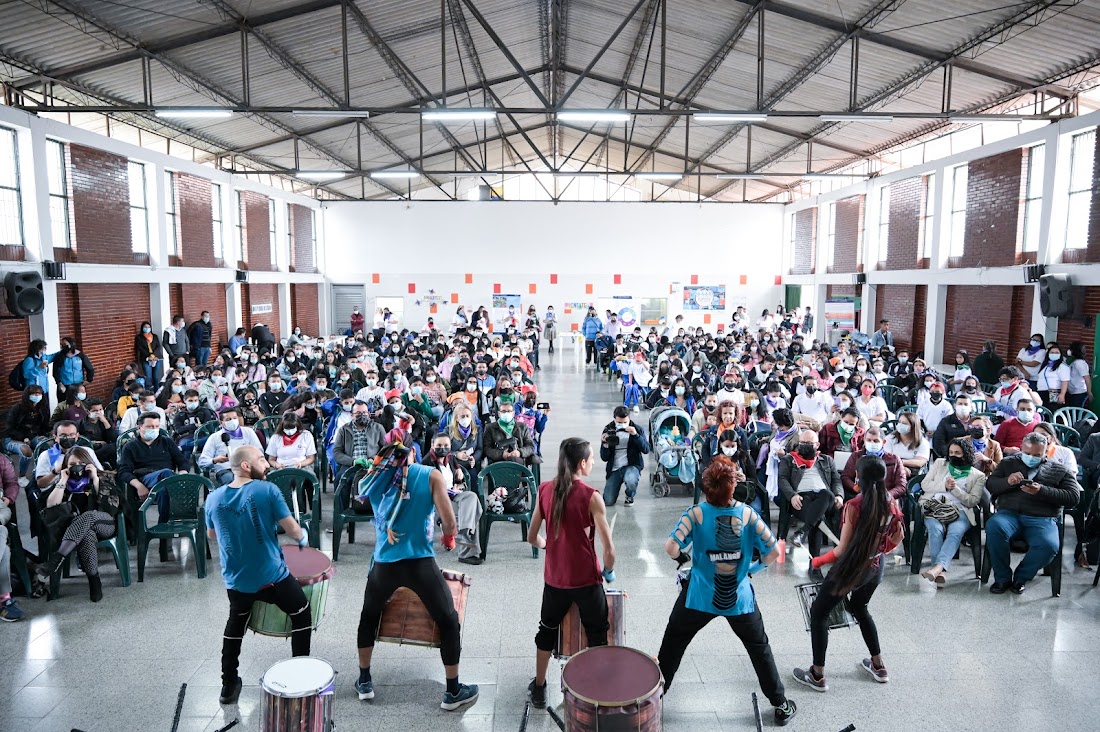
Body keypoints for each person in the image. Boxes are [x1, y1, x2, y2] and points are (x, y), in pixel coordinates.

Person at [657, 457, 797, 727]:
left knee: (673, 644)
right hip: (739, 599)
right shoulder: (747, 514)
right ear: (733, 488)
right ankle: (781, 704)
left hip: (697, 596)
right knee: (759, 649)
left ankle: (653, 699)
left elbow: (671, 548)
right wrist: (751, 571)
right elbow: (774, 552)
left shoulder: (696, 513)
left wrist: (685, 560)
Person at [354, 444, 479, 711]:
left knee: (369, 615)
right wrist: (448, 537)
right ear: (412, 453)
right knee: (448, 619)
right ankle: (453, 691)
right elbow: (450, 523)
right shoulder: (430, 475)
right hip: (420, 563)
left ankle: (364, 681)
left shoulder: (374, 478)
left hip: (384, 563)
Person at [206, 446, 311, 704]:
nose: (266, 464)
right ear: (245, 465)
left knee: (235, 625)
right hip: (272, 576)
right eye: (261, 459)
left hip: (236, 580)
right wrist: (302, 535)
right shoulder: (268, 490)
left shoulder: (213, 498)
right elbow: (294, 532)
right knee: (302, 613)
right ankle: (300, 675)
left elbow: (212, 535)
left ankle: (228, 685)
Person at [794, 456, 903, 692]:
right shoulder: (890, 501)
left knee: (819, 613)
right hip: (875, 568)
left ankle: (817, 674)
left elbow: (841, 550)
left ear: (858, 479)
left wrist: (818, 561)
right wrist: (877, 551)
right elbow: (898, 537)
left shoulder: (854, 506)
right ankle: (878, 665)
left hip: (851, 569)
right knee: (860, 608)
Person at [526, 437, 616, 710]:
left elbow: (532, 537)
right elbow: (609, 549)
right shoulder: (592, 496)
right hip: (587, 579)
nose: (592, 463)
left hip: (555, 579)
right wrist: (608, 571)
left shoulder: (544, 490)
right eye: (590, 460)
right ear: (582, 463)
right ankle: (595, 691)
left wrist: (549, 546)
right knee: (598, 633)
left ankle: (540, 688)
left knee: (546, 631)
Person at [985, 432, 1081, 594]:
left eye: (1037, 455)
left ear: (1046, 452)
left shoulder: (1059, 470)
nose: (1031, 457)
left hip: (1041, 518)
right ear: (1021, 447)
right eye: (1027, 453)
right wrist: (1007, 481)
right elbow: (991, 485)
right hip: (1010, 514)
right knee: (994, 526)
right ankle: (1002, 578)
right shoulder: (1008, 463)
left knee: (1049, 545)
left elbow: (1073, 497)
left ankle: (1021, 578)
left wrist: (1042, 491)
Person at [36, 447, 120, 602]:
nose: (78, 466)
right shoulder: (63, 482)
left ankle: (57, 558)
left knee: (87, 516)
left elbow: (111, 508)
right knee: (86, 534)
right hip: (75, 531)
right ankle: (94, 580)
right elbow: (51, 507)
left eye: (82, 462)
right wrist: (62, 480)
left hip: (105, 524)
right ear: (66, 465)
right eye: (73, 463)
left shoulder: (104, 477)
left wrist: (95, 479)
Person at [917, 438, 986, 587]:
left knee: (955, 531)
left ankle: (937, 568)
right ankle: (940, 570)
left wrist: (955, 489)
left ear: (967, 454)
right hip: (935, 505)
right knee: (935, 529)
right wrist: (944, 486)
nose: (953, 455)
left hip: (961, 509)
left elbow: (972, 501)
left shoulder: (978, 475)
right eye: (951, 452)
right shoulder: (940, 463)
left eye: (958, 453)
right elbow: (925, 485)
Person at [777, 430, 843, 569]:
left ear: (817, 445)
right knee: (817, 519)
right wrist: (792, 495)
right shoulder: (789, 460)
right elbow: (782, 480)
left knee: (828, 494)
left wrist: (839, 495)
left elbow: (836, 480)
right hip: (801, 498)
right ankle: (814, 566)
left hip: (825, 498)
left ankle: (802, 531)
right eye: (802, 443)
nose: (805, 446)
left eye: (809, 443)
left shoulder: (826, 460)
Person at [421, 432, 483, 565]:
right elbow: (428, 488)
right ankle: (467, 553)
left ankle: (463, 532)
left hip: (453, 494)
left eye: (446, 445)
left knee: (472, 498)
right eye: (439, 445)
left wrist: (458, 480)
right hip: (437, 499)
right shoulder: (427, 463)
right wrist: (449, 490)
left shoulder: (451, 459)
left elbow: (457, 480)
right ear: (432, 446)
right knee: (472, 511)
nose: (442, 448)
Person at [117, 412, 188, 503]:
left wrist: (182, 473)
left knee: (163, 492)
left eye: (156, 426)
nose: (154, 429)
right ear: (139, 428)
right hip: (144, 479)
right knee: (165, 473)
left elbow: (182, 461)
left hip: (166, 480)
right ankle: (180, 490)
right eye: (150, 427)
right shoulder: (130, 446)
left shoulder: (167, 442)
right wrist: (139, 486)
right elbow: (124, 471)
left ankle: (164, 517)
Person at [840, 426, 907, 501]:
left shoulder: (894, 459)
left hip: (886, 499)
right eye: (869, 440)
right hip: (860, 497)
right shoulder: (856, 456)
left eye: (876, 441)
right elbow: (845, 477)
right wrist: (855, 487)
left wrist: (887, 495)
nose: (872, 443)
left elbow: (901, 485)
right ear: (864, 440)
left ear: (883, 442)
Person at [599, 406, 649, 507]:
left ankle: (629, 495)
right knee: (608, 501)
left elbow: (646, 449)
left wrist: (636, 435)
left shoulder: (637, 429)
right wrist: (605, 445)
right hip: (614, 468)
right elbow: (604, 458)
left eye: (625, 422)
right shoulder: (608, 430)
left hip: (631, 465)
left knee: (631, 479)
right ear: (614, 419)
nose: (622, 425)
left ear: (629, 419)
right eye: (619, 423)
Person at [5, 385, 51, 477]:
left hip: (33, 436)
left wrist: (53, 432)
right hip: (14, 438)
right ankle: (22, 476)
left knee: (50, 444)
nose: (37, 395)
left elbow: (45, 426)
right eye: (33, 393)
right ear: (27, 395)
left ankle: (44, 472)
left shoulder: (43, 409)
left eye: (39, 393)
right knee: (26, 450)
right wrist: (23, 437)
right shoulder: (17, 408)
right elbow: (9, 429)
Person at [0, 451, 24, 621]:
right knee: (4, 548)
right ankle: (4, 600)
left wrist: (8, 499)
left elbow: (11, 483)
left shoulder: (1, 459)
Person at [483, 402, 535, 467]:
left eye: (509, 411)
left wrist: (519, 452)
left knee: (513, 460)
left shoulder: (522, 427)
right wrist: (502, 454)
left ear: (513, 413)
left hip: (518, 459)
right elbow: (487, 448)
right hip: (497, 461)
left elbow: (530, 446)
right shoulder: (490, 428)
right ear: (499, 413)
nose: (506, 413)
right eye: (503, 411)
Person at [52, 337, 95, 404]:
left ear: (71, 344)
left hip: (78, 384)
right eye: (62, 345)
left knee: (80, 404)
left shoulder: (80, 356)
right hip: (65, 385)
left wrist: (89, 380)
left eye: (65, 344)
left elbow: (90, 368)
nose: (63, 346)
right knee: (65, 405)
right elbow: (55, 371)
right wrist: (59, 383)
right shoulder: (60, 356)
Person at [1059, 341, 1094, 409]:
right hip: (1072, 391)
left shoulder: (1080, 363)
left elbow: (1087, 378)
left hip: (1079, 392)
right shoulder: (1071, 361)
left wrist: (1089, 392)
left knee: (1076, 412)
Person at [134, 321, 164, 390]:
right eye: (145, 327)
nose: (147, 328)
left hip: (156, 358)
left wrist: (153, 355)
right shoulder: (139, 337)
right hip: (146, 359)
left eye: (148, 327)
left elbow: (158, 346)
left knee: (156, 377)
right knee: (148, 377)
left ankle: (157, 392)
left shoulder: (154, 336)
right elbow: (140, 348)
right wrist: (149, 356)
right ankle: (149, 392)